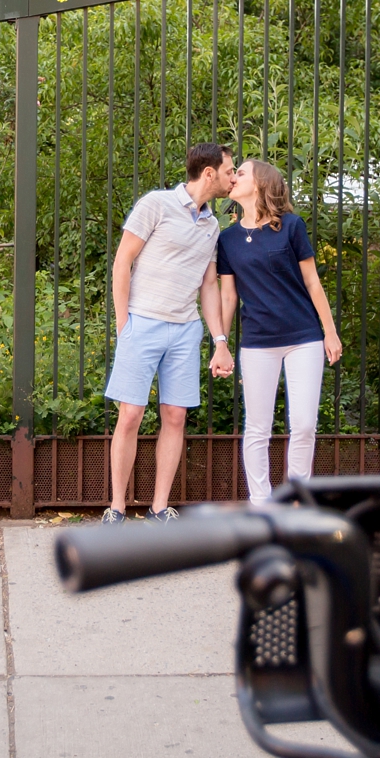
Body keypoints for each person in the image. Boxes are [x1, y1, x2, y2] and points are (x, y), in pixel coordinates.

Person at [101, 143, 237, 524]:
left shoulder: (212, 225)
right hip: (141, 322)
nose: (233, 177)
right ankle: (116, 507)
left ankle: (159, 507)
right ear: (208, 173)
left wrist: (220, 341)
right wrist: (123, 324)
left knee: (175, 416)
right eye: (229, 170)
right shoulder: (155, 204)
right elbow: (122, 262)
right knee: (130, 416)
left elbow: (209, 286)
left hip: (185, 330)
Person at [216, 159, 342, 503]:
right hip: (257, 342)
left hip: (304, 338)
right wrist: (221, 343)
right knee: (257, 428)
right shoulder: (226, 239)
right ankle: (262, 506)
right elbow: (228, 296)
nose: (234, 176)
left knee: (303, 424)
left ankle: (297, 500)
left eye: (240, 172)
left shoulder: (291, 227)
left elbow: (313, 283)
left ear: (261, 182)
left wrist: (329, 333)